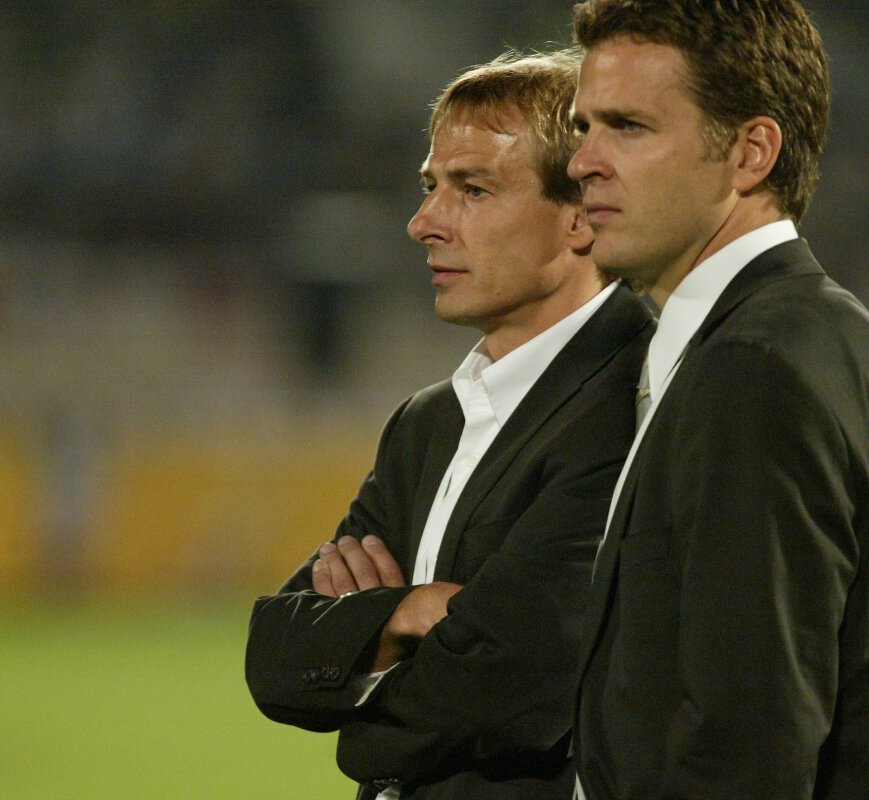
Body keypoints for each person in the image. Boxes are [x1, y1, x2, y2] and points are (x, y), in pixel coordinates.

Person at [564, 2, 869, 798]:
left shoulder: (752, 373)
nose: (582, 162)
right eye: (584, 127)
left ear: (750, 153)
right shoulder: (831, 341)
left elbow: (746, 749)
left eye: (628, 127)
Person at [245, 49, 652, 800]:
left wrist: (363, 673)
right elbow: (273, 656)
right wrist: (408, 610)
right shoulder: (428, 420)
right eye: (431, 186)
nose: (422, 224)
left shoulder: (635, 404)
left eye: (473, 189)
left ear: (580, 215)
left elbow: (507, 685)